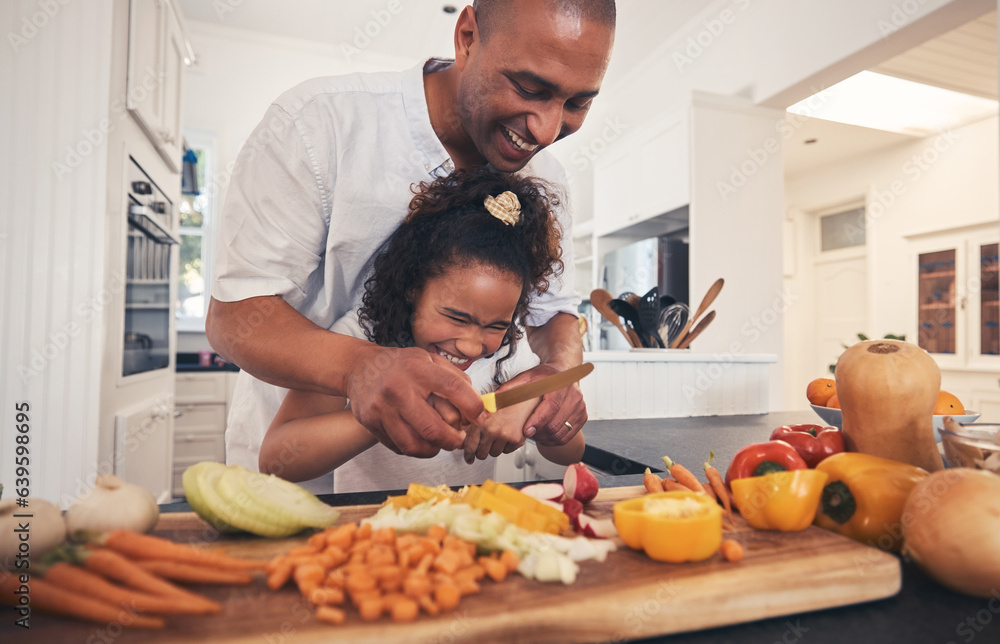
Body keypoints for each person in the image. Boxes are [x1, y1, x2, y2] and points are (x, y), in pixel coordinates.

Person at [207, 0, 616, 489]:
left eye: (577, 104)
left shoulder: (546, 180)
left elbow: (553, 314)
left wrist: (556, 380)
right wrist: (364, 370)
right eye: (530, 88)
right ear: (467, 37)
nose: (546, 131)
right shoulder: (317, 124)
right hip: (291, 485)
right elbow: (235, 317)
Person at [259, 168, 585, 491]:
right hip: (373, 533)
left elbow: (572, 450)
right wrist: (386, 409)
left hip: (464, 532)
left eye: (496, 325)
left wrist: (535, 417)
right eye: (457, 317)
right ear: (413, 287)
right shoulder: (358, 339)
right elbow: (277, 459)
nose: (472, 346)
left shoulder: (510, 356)